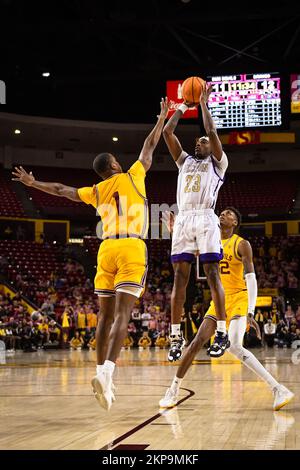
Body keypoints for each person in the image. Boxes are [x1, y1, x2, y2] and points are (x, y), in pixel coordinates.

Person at [12, 97, 170, 411]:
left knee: (106, 316)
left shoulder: (95, 191)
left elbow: (60, 189)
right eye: (115, 159)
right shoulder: (132, 175)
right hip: (131, 246)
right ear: (113, 165)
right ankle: (109, 374)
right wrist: (161, 119)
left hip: (105, 249)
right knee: (124, 315)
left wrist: (32, 182)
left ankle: (101, 377)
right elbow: (149, 147)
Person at [159, 208, 294, 411]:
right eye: (222, 212)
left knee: (233, 346)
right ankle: (173, 391)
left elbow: (252, 280)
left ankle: (277, 389)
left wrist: (250, 311)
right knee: (196, 341)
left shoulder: (242, 244)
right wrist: (175, 233)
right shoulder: (209, 241)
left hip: (240, 297)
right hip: (220, 299)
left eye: (229, 214)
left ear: (235, 222)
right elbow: (188, 249)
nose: (223, 214)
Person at [163, 83, 229, 361]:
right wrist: (180, 107)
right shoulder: (185, 162)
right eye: (197, 142)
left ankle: (222, 333)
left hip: (204, 217)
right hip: (184, 220)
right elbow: (167, 132)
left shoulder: (218, 163)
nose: (198, 143)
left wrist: (202, 103)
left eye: (202, 142)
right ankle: (175, 336)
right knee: (179, 278)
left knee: (213, 274)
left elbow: (212, 131)